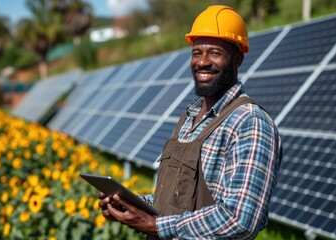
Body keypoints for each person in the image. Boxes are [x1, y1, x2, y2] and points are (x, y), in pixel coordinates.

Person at [98, 5, 282, 239]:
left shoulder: (249, 122)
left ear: (237, 59)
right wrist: (130, 205)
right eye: (197, 53)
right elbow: (175, 202)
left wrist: (155, 226)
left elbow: (240, 218)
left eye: (215, 52)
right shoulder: (188, 118)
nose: (202, 62)